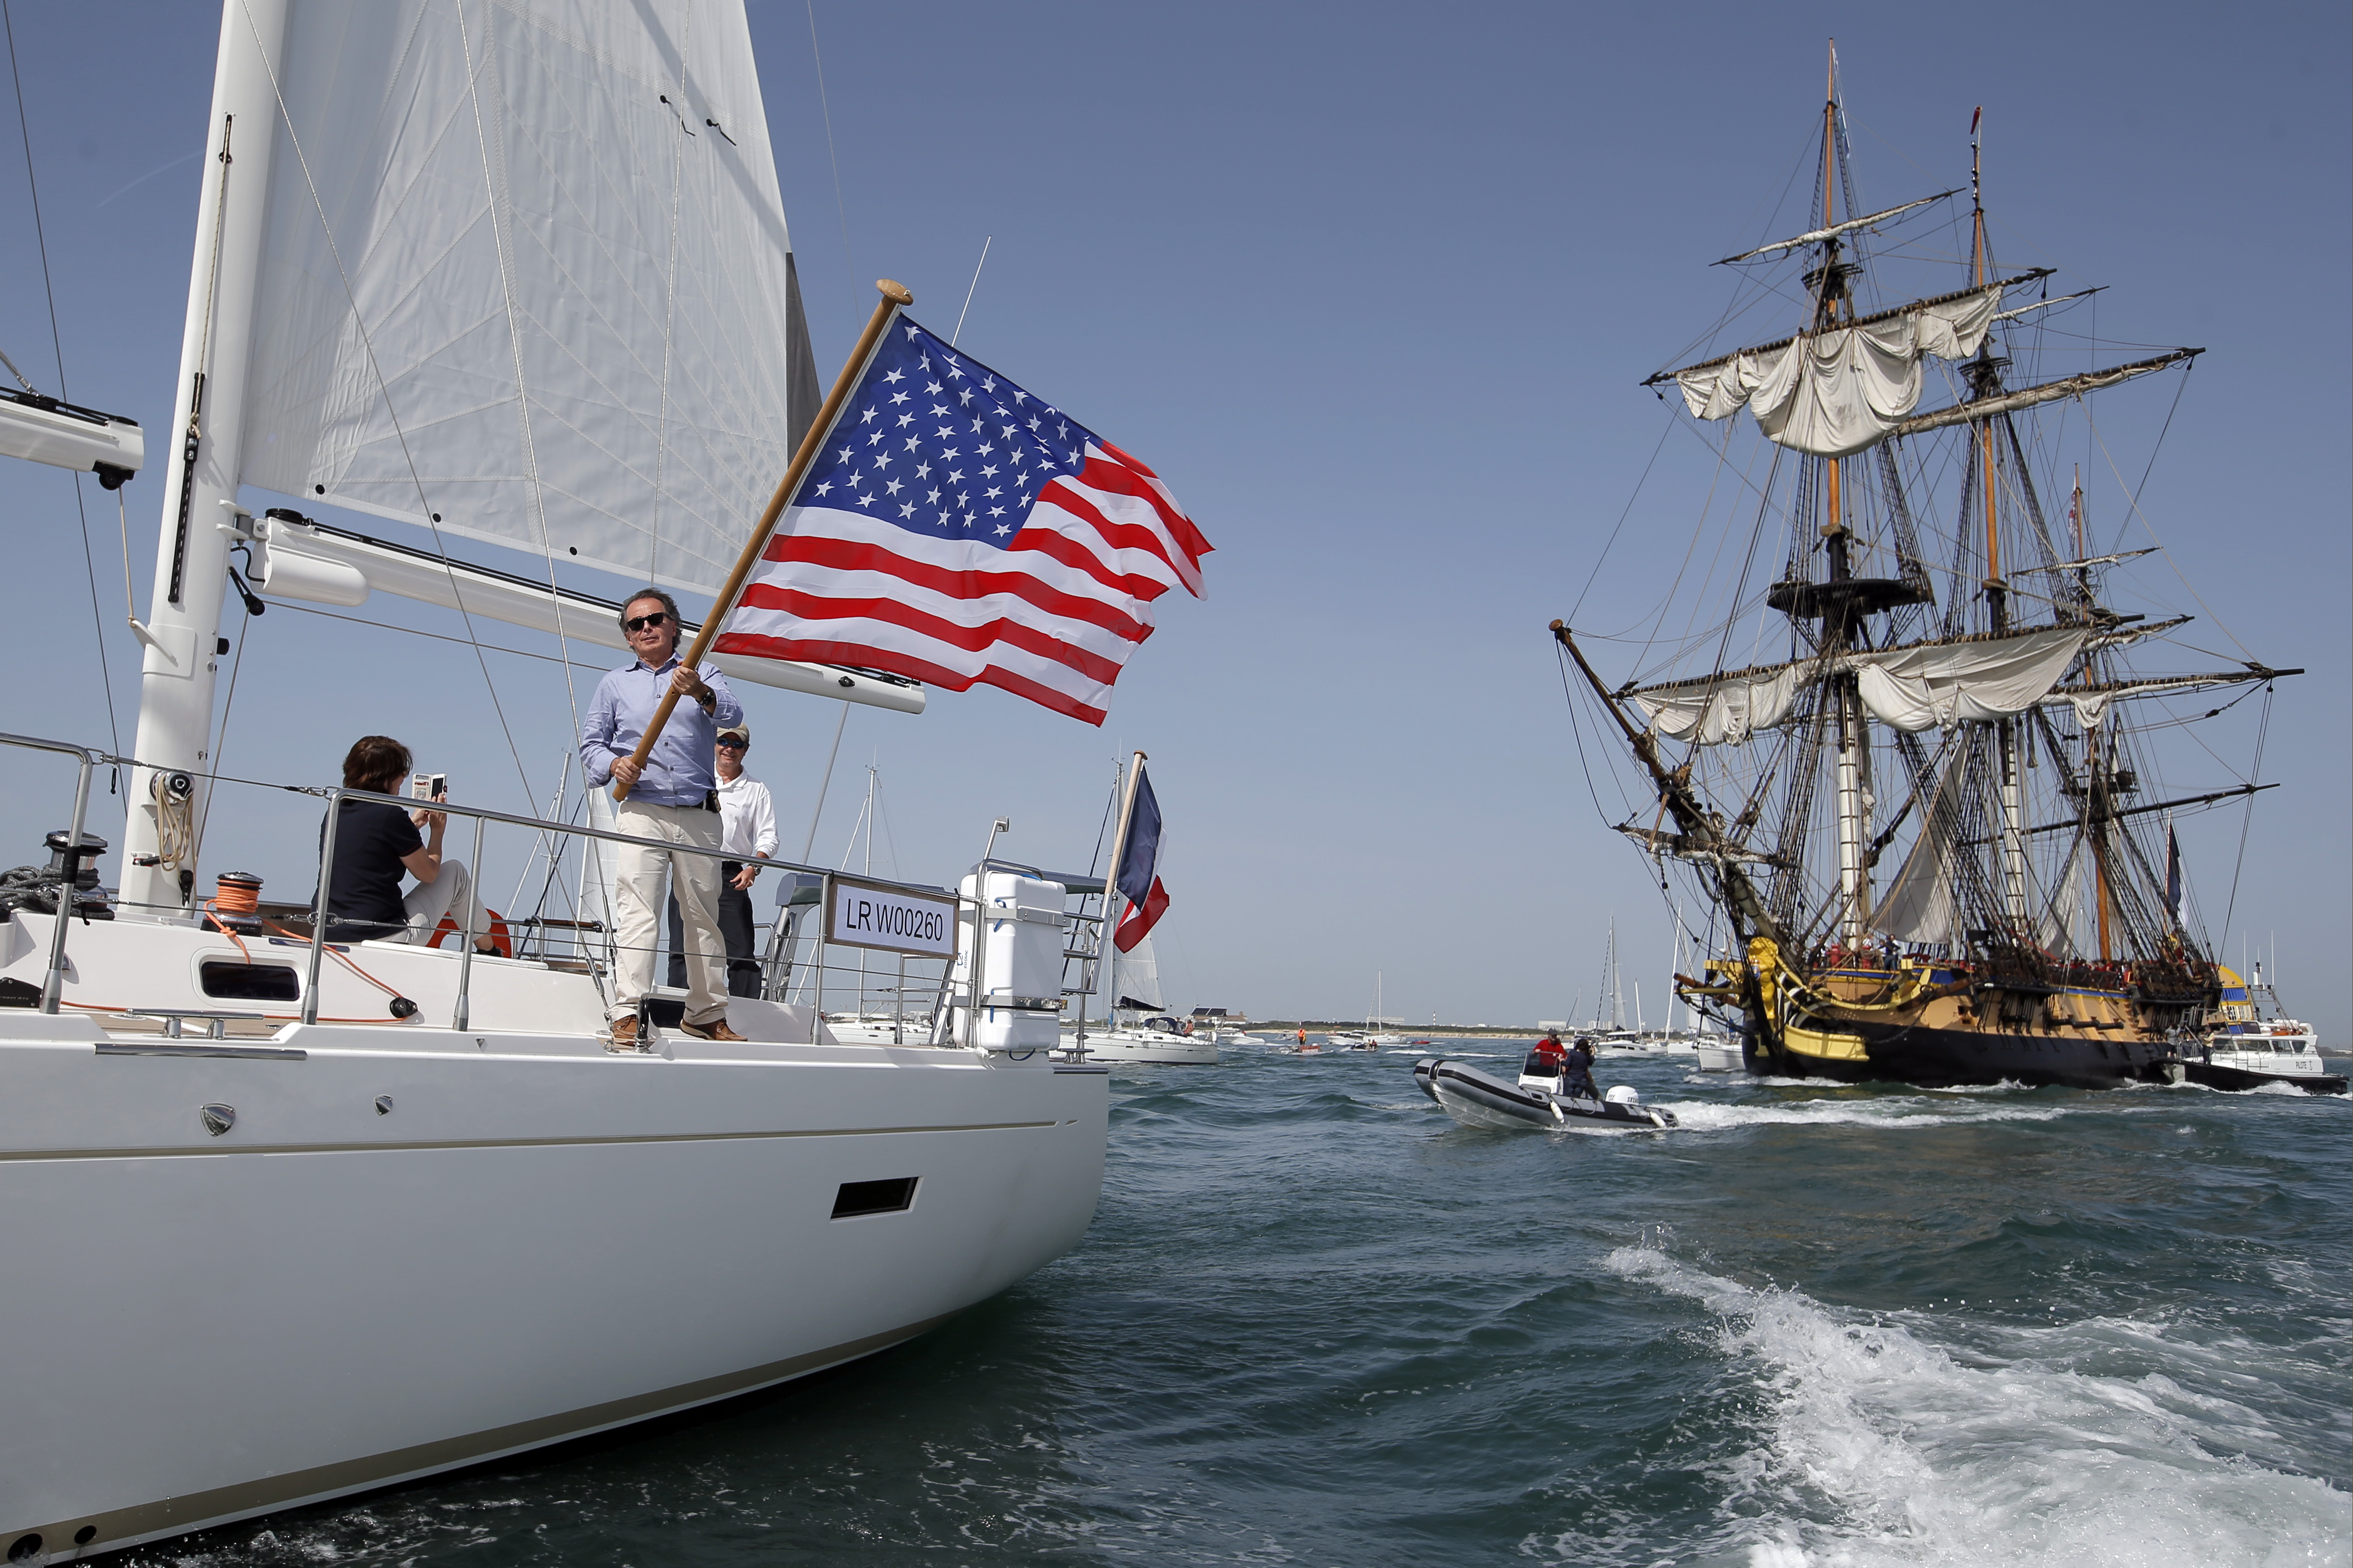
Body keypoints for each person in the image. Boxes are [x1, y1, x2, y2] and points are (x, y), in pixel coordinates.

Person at [580, 589, 745, 1047]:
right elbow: (591, 745)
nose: (646, 627)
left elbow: (732, 712)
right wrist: (615, 765)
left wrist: (700, 692)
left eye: (654, 619)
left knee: (702, 915)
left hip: (698, 812)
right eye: (636, 624)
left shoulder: (704, 672)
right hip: (643, 808)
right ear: (629, 639)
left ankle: (707, 1013)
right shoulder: (613, 685)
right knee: (639, 911)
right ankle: (628, 1010)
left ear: (674, 625)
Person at [317, 735, 498, 951]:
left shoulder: (336, 811)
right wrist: (438, 831)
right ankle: (491, 950)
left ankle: (489, 948)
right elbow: (428, 874)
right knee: (456, 873)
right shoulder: (390, 815)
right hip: (383, 934)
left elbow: (373, 846)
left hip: (329, 933)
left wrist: (412, 825)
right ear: (385, 777)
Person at [666, 720, 776, 999]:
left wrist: (754, 866)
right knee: (681, 948)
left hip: (731, 876)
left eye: (737, 744)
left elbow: (768, 837)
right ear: (714, 746)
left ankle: (748, 1013)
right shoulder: (696, 776)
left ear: (746, 750)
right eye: (724, 742)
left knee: (741, 954)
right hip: (690, 867)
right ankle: (677, 1010)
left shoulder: (757, 790)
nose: (729, 749)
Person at [1561, 1035, 1599, 1101]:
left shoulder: (1572, 1053)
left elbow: (1567, 1064)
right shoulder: (1586, 1056)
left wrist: (1561, 1061)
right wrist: (1593, 1053)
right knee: (1576, 1099)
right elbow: (1591, 1063)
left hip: (1571, 1078)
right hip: (1582, 1081)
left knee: (1566, 1098)